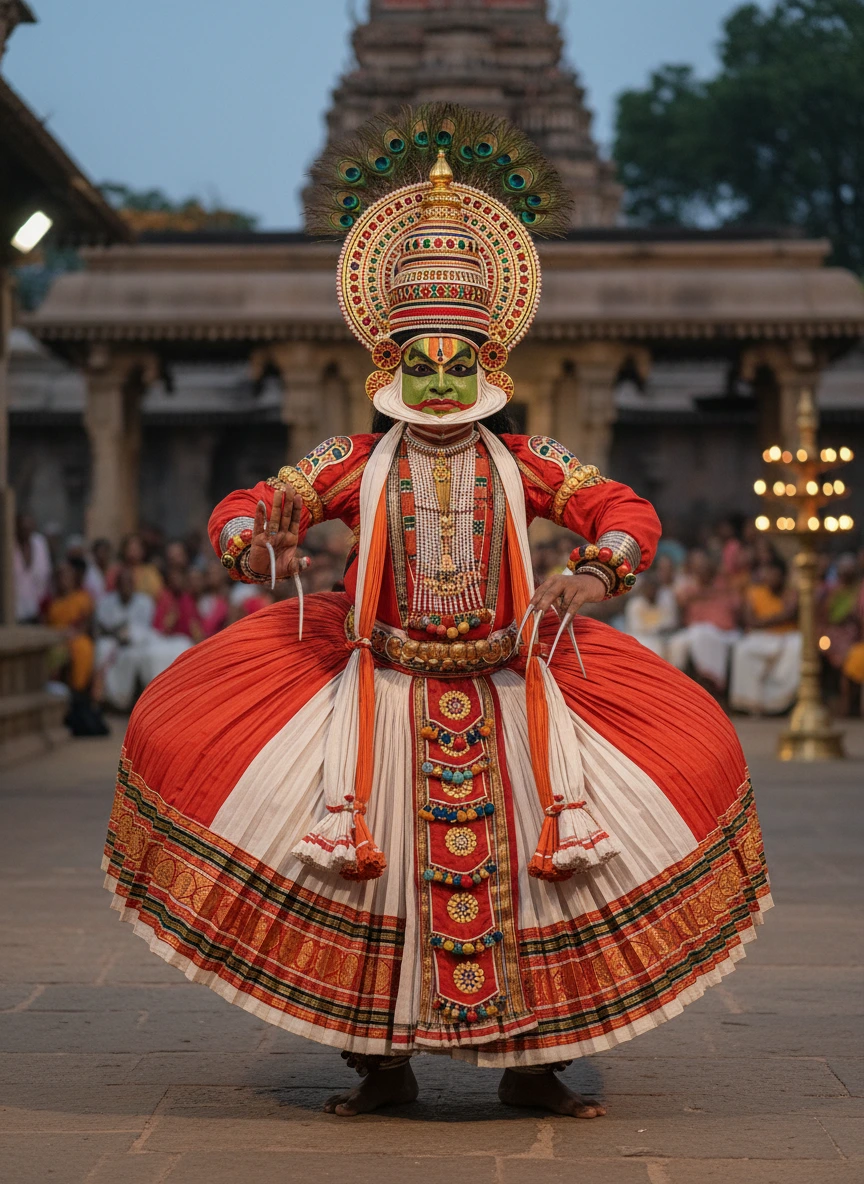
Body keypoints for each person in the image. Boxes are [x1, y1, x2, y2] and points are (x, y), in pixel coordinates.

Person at [102, 107, 770, 1121]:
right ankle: (381, 1060)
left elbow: (625, 512)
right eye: (425, 359)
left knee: (548, 875)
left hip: (509, 684)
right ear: (390, 360)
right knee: (364, 880)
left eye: (461, 357)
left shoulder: (530, 461)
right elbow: (241, 508)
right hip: (382, 685)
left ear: (492, 357)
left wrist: (592, 574)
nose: (444, 377)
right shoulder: (354, 463)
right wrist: (262, 539)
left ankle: (538, 1059)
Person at [95, 567, 191, 711]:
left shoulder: (144, 602)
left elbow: (145, 630)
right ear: (117, 585)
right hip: (114, 642)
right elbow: (102, 627)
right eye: (123, 583)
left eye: (129, 582)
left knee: (173, 648)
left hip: (140, 641)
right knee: (103, 648)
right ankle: (111, 699)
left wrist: (129, 635)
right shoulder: (106, 602)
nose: (126, 586)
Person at [729, 559, 800, 714]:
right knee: (742, 649)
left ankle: (778, 703)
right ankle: (751, 703)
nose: (770, 577)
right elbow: (749, 620)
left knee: (798, 645)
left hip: (787, 636)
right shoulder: (754, 592)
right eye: (768, 573)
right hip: (761, 637)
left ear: (783, 576)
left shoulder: (791, 592)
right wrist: (774, 620)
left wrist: (762, 622)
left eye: (775, 573)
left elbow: (790, 614)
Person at [667, 551, 741, 691]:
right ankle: (674, 688)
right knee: (676, 643)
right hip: (693, 631)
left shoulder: (726, 585)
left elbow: (738, 607)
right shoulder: (689, 587)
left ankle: (712, 682)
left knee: (702, 633)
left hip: (724, 633)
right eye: (698, 570)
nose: (702, 573)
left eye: (705, 570)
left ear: (712, 570)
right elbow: (679, 601)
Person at [622, 572, 678, 658]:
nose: (651, 591)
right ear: (643, 589)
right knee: (651, 648)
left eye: (653, 588)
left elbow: (671, 622)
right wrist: (656, 629)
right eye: (648, 588)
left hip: (663, 636)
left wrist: (659, 629)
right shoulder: (635, 604)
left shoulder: (666, 600)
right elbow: (636, 627)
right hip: (642, 638)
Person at [13, 513, 52, 623]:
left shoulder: (40, 543)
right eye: (22, 527)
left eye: (29, 527)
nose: (26, 530)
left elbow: (46, 575)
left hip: (36, 611)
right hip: (12, 612)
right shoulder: (8, 544)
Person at [108, 534, 164, 600]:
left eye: (136, 548)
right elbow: (110, 593)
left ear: (143, 551)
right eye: (130, 548)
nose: (133, 552)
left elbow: (158, 594)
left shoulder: (151, 572)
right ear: (124, 550)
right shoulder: (115, 571)